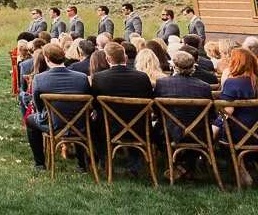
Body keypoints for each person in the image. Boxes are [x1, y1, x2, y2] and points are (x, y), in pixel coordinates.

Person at [25, 43, 92, 172]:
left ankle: (39, 163)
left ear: (47, 59)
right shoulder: (82, 78)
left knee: (30, 120)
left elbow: (38, 105)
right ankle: (82, 164)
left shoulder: (39, 79)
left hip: (53, 124)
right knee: (75, 116)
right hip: (80, 124)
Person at [91, 41, 153, 176]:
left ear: (107, 59)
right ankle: (134, 167)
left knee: (94, 125)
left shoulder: (99, 78)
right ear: (125, 58)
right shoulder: (142, 77)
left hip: (108, 127)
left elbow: (95, 104)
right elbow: (150, 100)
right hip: (139, 127)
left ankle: (106, 163)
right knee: (135, 118)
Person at [156, 50, 214, 181]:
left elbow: (158, 112)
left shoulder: (162, 84)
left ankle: (181, 165)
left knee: (156, 131)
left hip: (171, 132)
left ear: (174, 66)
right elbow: (210, 114)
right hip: (199, 133)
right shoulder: (204, 87)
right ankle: (186, 166)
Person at [214, 47, 258, 185]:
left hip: (239, 132)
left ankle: (242, 171)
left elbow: (227, 112)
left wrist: (216, 126)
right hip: (255, 130)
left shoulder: (232, 83)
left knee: (224, 135)